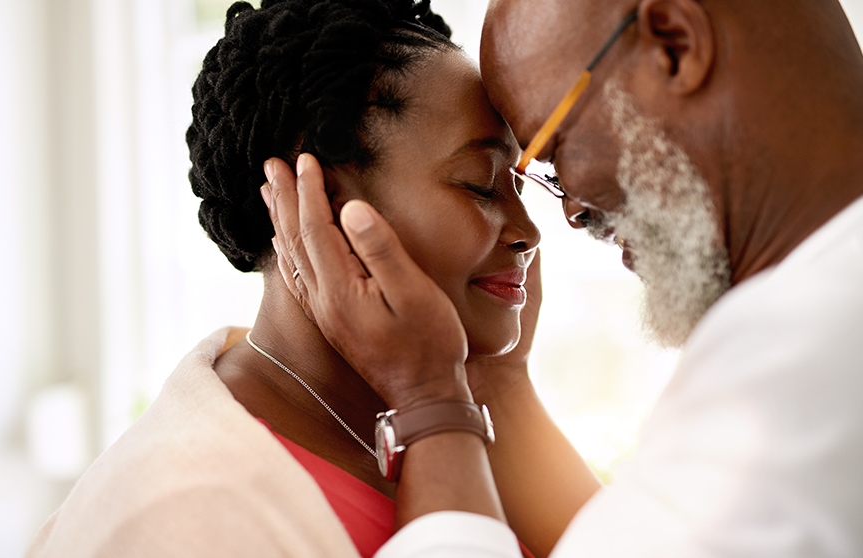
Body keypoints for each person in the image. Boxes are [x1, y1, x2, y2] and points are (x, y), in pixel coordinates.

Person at [262, 0, 863, 556]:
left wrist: (430, 400)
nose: (567, 214)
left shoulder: (805, 357)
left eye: (554, 150)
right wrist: (492, 380)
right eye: (481, 183)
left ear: (675, 47)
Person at [24, 0, 563, 556]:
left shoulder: (439, 420)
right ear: (321, 208)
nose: (529, 231)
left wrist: (479, 384)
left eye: (520, 188)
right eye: (480, 184)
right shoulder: (192, 514)